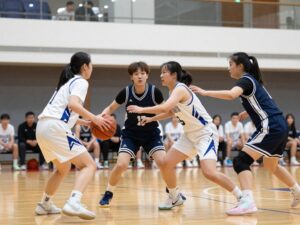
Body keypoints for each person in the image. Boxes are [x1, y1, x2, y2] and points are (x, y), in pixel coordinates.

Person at [190, 52, 300, 215]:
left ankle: (247, 201)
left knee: (241, 161)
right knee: (271, 165)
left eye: (230, 65)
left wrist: (205, 92)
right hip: (279, 124)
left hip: (271, 126)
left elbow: (230, 94)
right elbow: (266, 102)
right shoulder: (254, 81)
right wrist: (246, 112)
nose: (228, 69)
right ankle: (297, 191)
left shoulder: (246, 80)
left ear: (240, 66)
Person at [127, 61, 242, 210]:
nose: (161, 75)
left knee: (209, 172)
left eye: (164, 72)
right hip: (189, 135)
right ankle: (175, 197)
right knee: (165, 163)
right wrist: (151, 119)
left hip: (205, 133)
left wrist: (141, 110)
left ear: (174, 75)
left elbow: (165, 107)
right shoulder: (173, 91)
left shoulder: (180, 89)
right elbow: (170, 112)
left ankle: (241, 197)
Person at [35, 52, 110, 220]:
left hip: (43, 127)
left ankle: (44, 203)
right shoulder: (81, 81)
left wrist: (87, 123)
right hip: (55, 128)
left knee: (63, 168)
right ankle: (74, 201)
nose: (92, 69)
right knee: (89, 165)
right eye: (91, 66)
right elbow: (73, 105)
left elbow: (67, 113)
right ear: (85, 67)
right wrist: (94, 118)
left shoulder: (66, 84)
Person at [99, 62, 184, 209]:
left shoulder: (154, 92)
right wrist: (101, 117)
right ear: (131, 76)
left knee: (164, 163)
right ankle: (108, 192)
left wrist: (150, 117)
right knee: (121, 165)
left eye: (143, 73)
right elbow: (111, 108)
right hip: (130, 135)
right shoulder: (125, 92)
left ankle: (173, 193)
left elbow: (170, 111)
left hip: (151, 134)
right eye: (136, 74)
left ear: (147, 75)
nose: (140, 76)